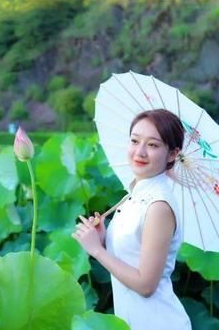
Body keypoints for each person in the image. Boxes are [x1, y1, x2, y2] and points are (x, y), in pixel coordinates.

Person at [72, 109, 192, 329]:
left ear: (173, 154)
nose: (140, 152)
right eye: (135, 141)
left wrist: (96, 251)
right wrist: (103, 239)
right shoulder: (135, 195)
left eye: (153, 145)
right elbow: (133, 254)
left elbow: (146, 285)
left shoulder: (158, 206)